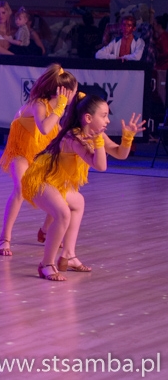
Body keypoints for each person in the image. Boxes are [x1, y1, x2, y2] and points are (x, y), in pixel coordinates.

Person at [22, 94, 145, 281]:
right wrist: (98, 142)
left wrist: (127, 138)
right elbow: (100, 165)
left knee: (78, 202)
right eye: (104, 116)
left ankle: (68, 255)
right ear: (88, 118)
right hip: (39, 181)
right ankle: (46, 264)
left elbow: (120, 154)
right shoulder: (74, 138)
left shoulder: (96, 135)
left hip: (55, 182)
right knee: (63, 213)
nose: (108, 120)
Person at [0, 65, 77, 256]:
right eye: (74, 90)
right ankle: (4, 237)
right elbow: (45, 128)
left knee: (60, 187)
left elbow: (57, 133)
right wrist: (60, 108)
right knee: (20, 189)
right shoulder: (38, 104)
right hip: (20, 151)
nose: (75, 94)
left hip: (39, 153)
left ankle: (46, 230)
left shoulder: (56, 108)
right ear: (64, 91)